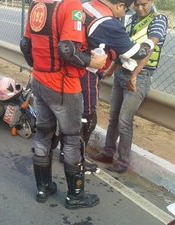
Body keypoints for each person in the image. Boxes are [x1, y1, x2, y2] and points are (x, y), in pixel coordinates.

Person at [20, 0, 107, 209]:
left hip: (39, 80)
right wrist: (92, 62)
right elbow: (68, 50)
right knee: (71, 140)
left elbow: (25, 44)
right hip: (63, 86)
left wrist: (39, 66)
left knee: (43, 134)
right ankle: (75, 197)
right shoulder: (70, 5)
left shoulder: (37, 5)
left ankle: (43, 188)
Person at [59, 0, 153, 164]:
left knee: (69, 111)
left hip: (66, 64)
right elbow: (138, 52)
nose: (124, 15)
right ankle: (75, 158)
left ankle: (64, 151)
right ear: (120, 6)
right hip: (85, 70)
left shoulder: (87, 5)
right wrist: (152, 40)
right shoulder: (108, 23)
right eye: (125, 11)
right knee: (87, 116)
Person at [91, 0, 168, 173]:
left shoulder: (158, 19)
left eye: (144, 4)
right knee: (113, 117)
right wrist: (111, 70)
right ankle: (108, 152)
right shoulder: (131, 19)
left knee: (124, 121)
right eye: (137, 5)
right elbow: (123, 47)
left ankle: (123, 161)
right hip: (121, 73)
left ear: (152, 1)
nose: (140, 8)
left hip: (139, 76)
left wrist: (134, 76)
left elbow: (149, 47)